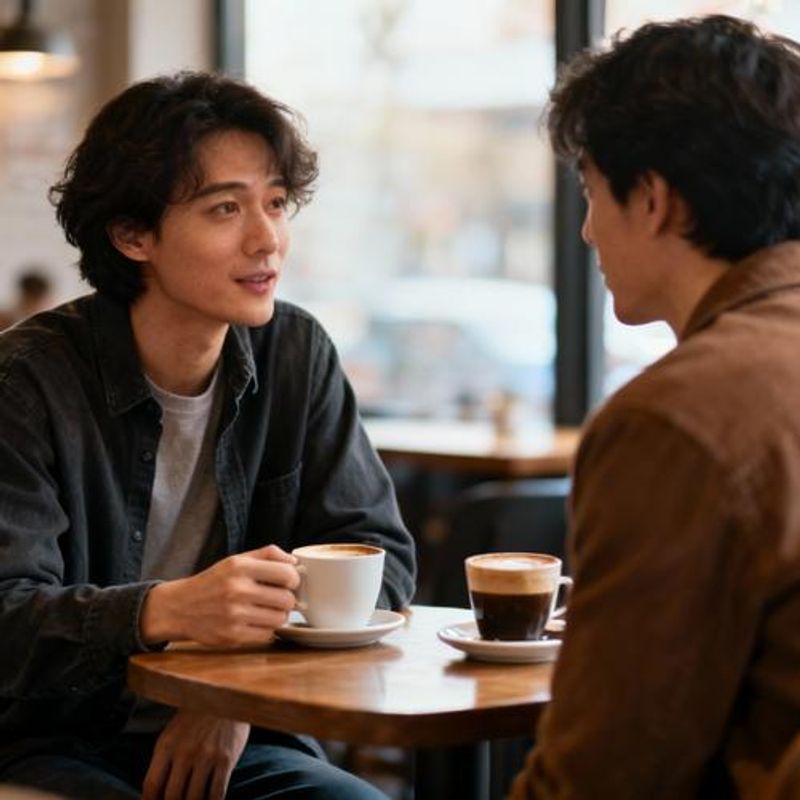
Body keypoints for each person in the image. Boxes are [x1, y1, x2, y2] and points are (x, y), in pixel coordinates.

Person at [0, 72, 416, 800]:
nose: (268, 240)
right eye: (226, 208)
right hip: (46, 743)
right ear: (133, 235)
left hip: (240, 740)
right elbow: (5, 615)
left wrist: (226, 695)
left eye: (277, 204)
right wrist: (163, 612)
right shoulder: (27, 382)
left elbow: (380, 558)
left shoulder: (298, 355)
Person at [509, 15, 800, 800]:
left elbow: (605, 776)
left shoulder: (677, 419)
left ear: (654, 200)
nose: (586, 231)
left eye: (592, 193)